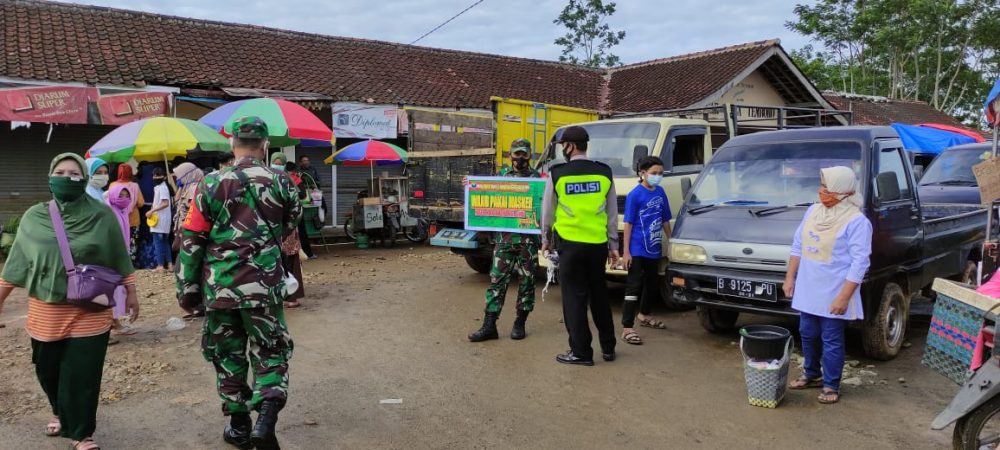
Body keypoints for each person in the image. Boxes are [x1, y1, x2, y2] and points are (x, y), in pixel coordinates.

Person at [176, 116, 300, 449]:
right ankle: (267, 418)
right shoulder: (284, 181)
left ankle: (241, 426)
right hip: (265, 285)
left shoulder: (211, 183)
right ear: (264, 146)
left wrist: (187, 291)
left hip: (222, 287)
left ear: (232, 144)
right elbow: (290, 223)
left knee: (228, 355)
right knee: (271, 351)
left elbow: (192, 239)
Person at [0, 153, 137, 450]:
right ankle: (59, 410)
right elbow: (17, 262)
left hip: (91, 306)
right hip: (45, 308)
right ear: (50, 177)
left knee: (83, 371)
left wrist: (132, 295)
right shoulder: (34, 216)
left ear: (84, 178)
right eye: (59, 172)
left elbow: (119, 256)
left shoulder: (102, 215)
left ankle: (81, 433)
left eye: (73, 172)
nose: (65, 177)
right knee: (47, 368)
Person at [784, 166, 872, 405]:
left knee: (831, 338)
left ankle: (831, 384)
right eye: (821, 186)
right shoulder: (813, 211)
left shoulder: (857, 222)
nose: (821, 191)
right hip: (808, 287)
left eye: (826, 187)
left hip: (834, 289)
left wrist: (844, 298)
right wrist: (790, 278)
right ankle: (811, 373)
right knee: (807, 333)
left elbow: (860, 263)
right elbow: (797, 246)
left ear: (842, 191)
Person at [541, 126, 619, 366]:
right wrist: (613, 245)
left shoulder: (558, 173)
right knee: (599, 296)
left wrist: (545, 238)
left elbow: (548, 211)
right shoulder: (604, 173)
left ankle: (581, 352)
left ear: (570, 146)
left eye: (564, 145)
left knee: (574, 299)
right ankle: (608, 348)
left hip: (571, 246)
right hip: (597, 245)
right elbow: (612, 212)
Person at [468, 138, 541, 342]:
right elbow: (485, 195)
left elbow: (544, 209)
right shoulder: (501, 177)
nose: (520, 158)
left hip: (528, 242)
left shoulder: (538, 179)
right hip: (505, 241)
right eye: (516, 154)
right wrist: (471, 186)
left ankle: (520, 323)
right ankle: (489, 325)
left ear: (529, 155)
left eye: (524, 154)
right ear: (510, 155)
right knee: (496, 282)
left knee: (527, 282)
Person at [620, 156, 671, 345]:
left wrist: (671, 241)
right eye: (654, 173)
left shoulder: (660, 192)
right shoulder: (635, 195)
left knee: (651, 283)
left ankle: (644, 314)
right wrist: (626, 252)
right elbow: (628, 224)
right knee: (634, 285)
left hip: (654, 247)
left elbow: (665, 218)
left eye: (660, 173)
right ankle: (627, 327)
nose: (658, 176)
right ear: (643, 173)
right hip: (637, 248)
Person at [106, 185, 138, 337]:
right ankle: (111, 323)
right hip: (110, 258)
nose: (124, 199)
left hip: (120, 257)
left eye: (127, 195)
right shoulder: (108, 212)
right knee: (111, 289)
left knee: (119, 289)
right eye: (121, 195)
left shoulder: (123, 211)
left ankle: (114, 321)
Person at [108, 164, 144, 263]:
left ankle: (120, 262)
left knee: (119, 240)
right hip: (133, 220)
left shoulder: (113, 185)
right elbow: (141, 203)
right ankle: (131, 262)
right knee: (132, 242)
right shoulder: (135, 186)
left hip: (117, 219)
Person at [284, 162, 316, 260]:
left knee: (286, 233)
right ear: (294, 170)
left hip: (283, 211)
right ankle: (308, 254)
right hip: (296, 210)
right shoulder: (296, 179)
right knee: (301, 232)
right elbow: (303, 195)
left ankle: (287, 255)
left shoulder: (278, 177)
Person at [146, 167, 172, 272]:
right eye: (155, 175)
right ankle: (170, 265)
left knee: (158, 242)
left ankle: (160, 265)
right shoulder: (160, 187)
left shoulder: (162, 188)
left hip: (160, 219)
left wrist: (152, 211)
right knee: (164, 241)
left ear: (164, 176)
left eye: (158, 175)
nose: (156, 177)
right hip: (161, 219)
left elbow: (165, 203)